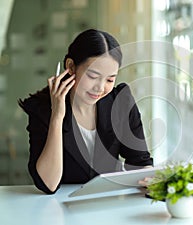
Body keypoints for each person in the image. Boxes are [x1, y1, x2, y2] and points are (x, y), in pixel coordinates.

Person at [18, 29, 153, 194]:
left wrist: (155, 179)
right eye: (93, 76)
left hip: (106, 204)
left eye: (110, 79)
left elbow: (140, 163)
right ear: (70, 66)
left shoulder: (120, 102)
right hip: (60, 209)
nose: (100, 87)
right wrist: (57, 116)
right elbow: (48, 184)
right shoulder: (42, 109)